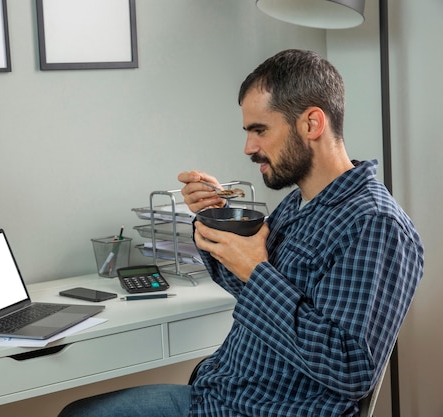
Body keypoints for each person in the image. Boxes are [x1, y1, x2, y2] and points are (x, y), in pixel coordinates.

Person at [58, 49, 424, 417]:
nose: (249, 148)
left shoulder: (376, 224)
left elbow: (350, 369)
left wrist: (256, 272)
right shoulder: (302, 202)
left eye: (259, 130)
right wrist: (213, 218)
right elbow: (248, 286)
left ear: (312, 124)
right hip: (219, 394)